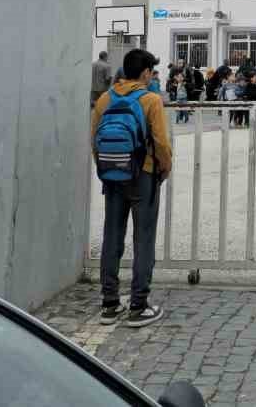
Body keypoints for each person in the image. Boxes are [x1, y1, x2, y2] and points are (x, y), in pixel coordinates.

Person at [91, 48, 172, 327]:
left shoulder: (104, 98)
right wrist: (165, 168)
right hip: (143, 174)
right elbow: (161, 143)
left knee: (112, 236)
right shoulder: (151, 99)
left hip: (113, 175)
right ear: (146, 72)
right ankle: (139, 305)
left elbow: (94, 140)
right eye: (152, 71)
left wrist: (107, 170)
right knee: (143, 238)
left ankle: (110, 303)